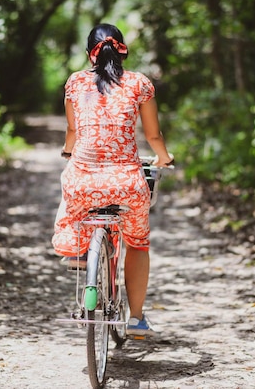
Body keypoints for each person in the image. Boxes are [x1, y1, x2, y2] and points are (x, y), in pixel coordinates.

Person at [52, 23, 174, 337]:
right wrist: (164, 157)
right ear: (121, 49)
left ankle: (80, 252)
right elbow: (152, 135)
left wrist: (69, 152)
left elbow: (73, 132)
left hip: (84, 184)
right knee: (137, 243)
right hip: (127, 185)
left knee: (71, 194)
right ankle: (136, 318)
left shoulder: (76, 82)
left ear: (89, 52)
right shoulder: (139, 83)